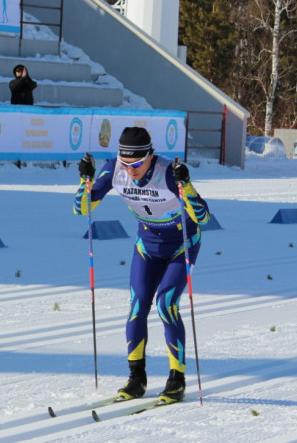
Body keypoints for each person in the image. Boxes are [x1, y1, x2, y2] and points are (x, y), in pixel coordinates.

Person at [73, 127, 210, 404]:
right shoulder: (114, 170)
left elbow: (203, 218)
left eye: (136, 164)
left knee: (166, 304)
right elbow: (82, 208)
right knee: (137, 306)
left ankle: (176, 379)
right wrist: (85, 179)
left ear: (150, 156)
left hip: (182, 244)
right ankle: (137, 377)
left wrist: (188, 185)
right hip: (147, 245)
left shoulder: (169, 172)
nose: (131, 170)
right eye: (126, 163)